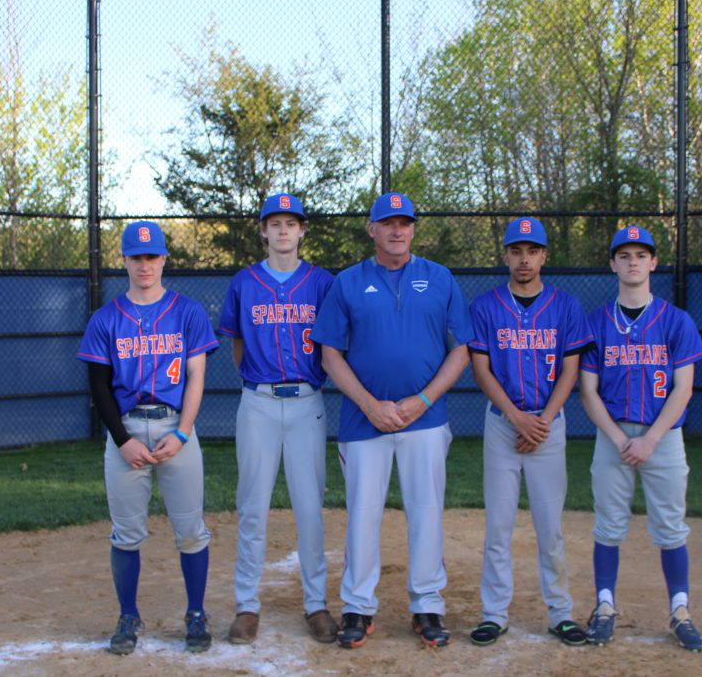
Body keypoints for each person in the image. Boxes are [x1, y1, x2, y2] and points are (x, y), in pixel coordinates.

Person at [310, 192, 474, 649]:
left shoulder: (439, 279)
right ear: (372, 229)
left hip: (425, 418)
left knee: (426, 512)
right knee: (362, 516)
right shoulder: (347, 282)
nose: (397, 230)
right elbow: (330, 354)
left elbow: (461, 348)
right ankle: (358, 607)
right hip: (366, 422)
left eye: (405, 222)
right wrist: (369, 404)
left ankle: (427, 605)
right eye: (388, 223)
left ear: (413, 229)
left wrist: (422, 399)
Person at [77, 220, 219, 655]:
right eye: (136, 257)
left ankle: (196, 613)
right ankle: (128, 615)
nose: (145, 264)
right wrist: (122, 440)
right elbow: (98, 386)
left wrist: (182, 432)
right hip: (128, 430)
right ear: (124, 261)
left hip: (177, 427)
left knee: (191, 530)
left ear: (164, 259)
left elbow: (196, 376)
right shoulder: (106, 319)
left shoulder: (187, 312)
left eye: (152, 256)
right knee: (126, 533)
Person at [579, 225, 702, 651]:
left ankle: (681, 611)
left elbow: (683, 388)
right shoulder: (597, 323)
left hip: (664, 437)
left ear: (653, 263)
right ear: (613, 264)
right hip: (612, 436)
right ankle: (604, 607)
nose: (633, 262)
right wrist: (620, 440)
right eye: (624, 255)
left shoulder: (676, 321)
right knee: (609, 525)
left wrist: (650, 440)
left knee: (671, 528)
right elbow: (588, 390)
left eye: (641, 254)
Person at [216, 193, 338, 644]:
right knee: (253, 506)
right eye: (275, 223)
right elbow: (236, 347)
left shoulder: (323, 282)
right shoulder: (244, 283)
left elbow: (334, 346)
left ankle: (316, 604)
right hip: (259, 403)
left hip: (308, 401)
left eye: (292, 222)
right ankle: (247, 606)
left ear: (303, 230)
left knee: (310, 507)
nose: (284, 230)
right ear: (263, 231)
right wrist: (260, 384)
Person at [466, 218, 594, 648]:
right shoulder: (486, 306)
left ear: (544, 256)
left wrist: (541, 421)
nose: (524, 259)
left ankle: (561, 613)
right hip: (503, 425)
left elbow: (570, 368)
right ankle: (494, 614)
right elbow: (481, 370)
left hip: (548, 425)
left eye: (532, 250)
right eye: (516, 250)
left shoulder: (565, 306)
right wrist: (516, 418)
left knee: (549, 526)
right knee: (498, 525)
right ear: (505, 255)